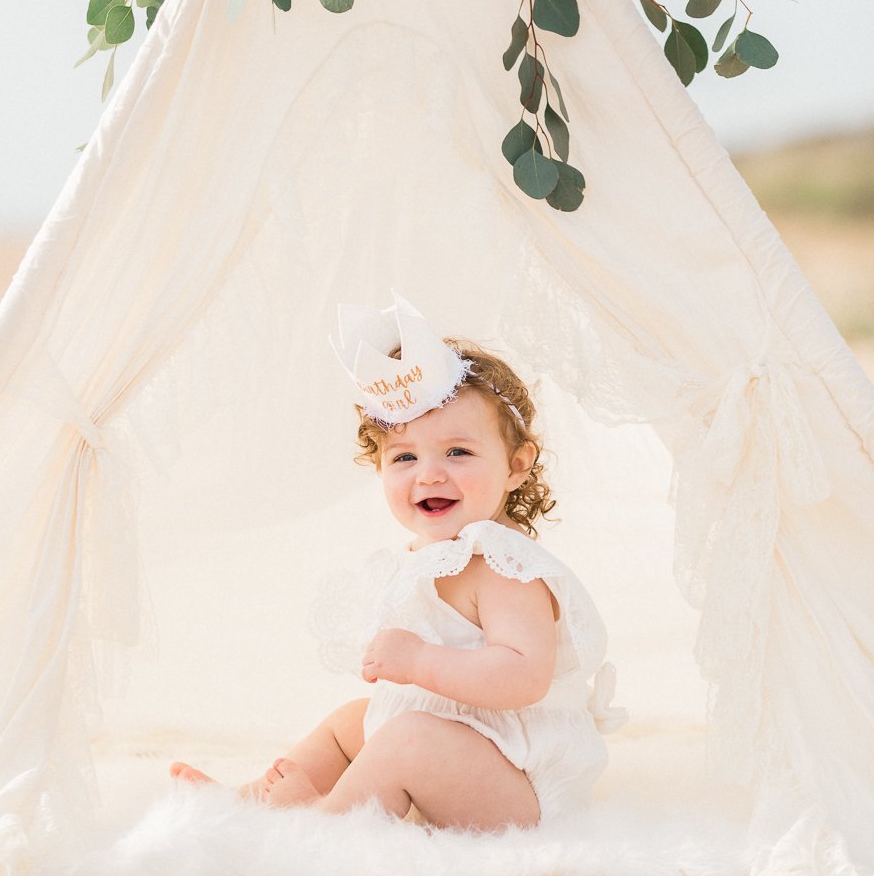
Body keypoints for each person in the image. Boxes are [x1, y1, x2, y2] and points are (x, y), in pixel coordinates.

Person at [169, 295, 626, 832]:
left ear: (516, 465)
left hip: (521, 791)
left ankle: (320, 823)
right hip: (470, 751)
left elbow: (524, 676)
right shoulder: (437, 558)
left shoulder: (505, 564)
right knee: (352, 724)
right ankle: (245, 802)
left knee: (408, 738)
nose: (428, 474)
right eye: (404, 456)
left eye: (458, 452)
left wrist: (418, 662)